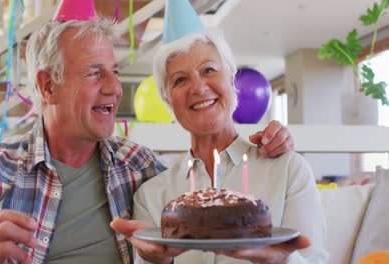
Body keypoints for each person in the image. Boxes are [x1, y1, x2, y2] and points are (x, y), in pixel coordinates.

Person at [0, 18, 294, 264]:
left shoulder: (140, 167)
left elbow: (209, 197)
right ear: (48, 86)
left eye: (114, 72)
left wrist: (270, 144)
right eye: (94, 73)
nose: (115, 88)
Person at [111, 31, 328, 264]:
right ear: (167, 101)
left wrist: (281, 261)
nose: (198, 87)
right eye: (180, 80)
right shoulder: (151, 195)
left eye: (209, 70)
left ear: (232, 81)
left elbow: (314, 259)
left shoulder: (288, 170)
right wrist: (157, 261)